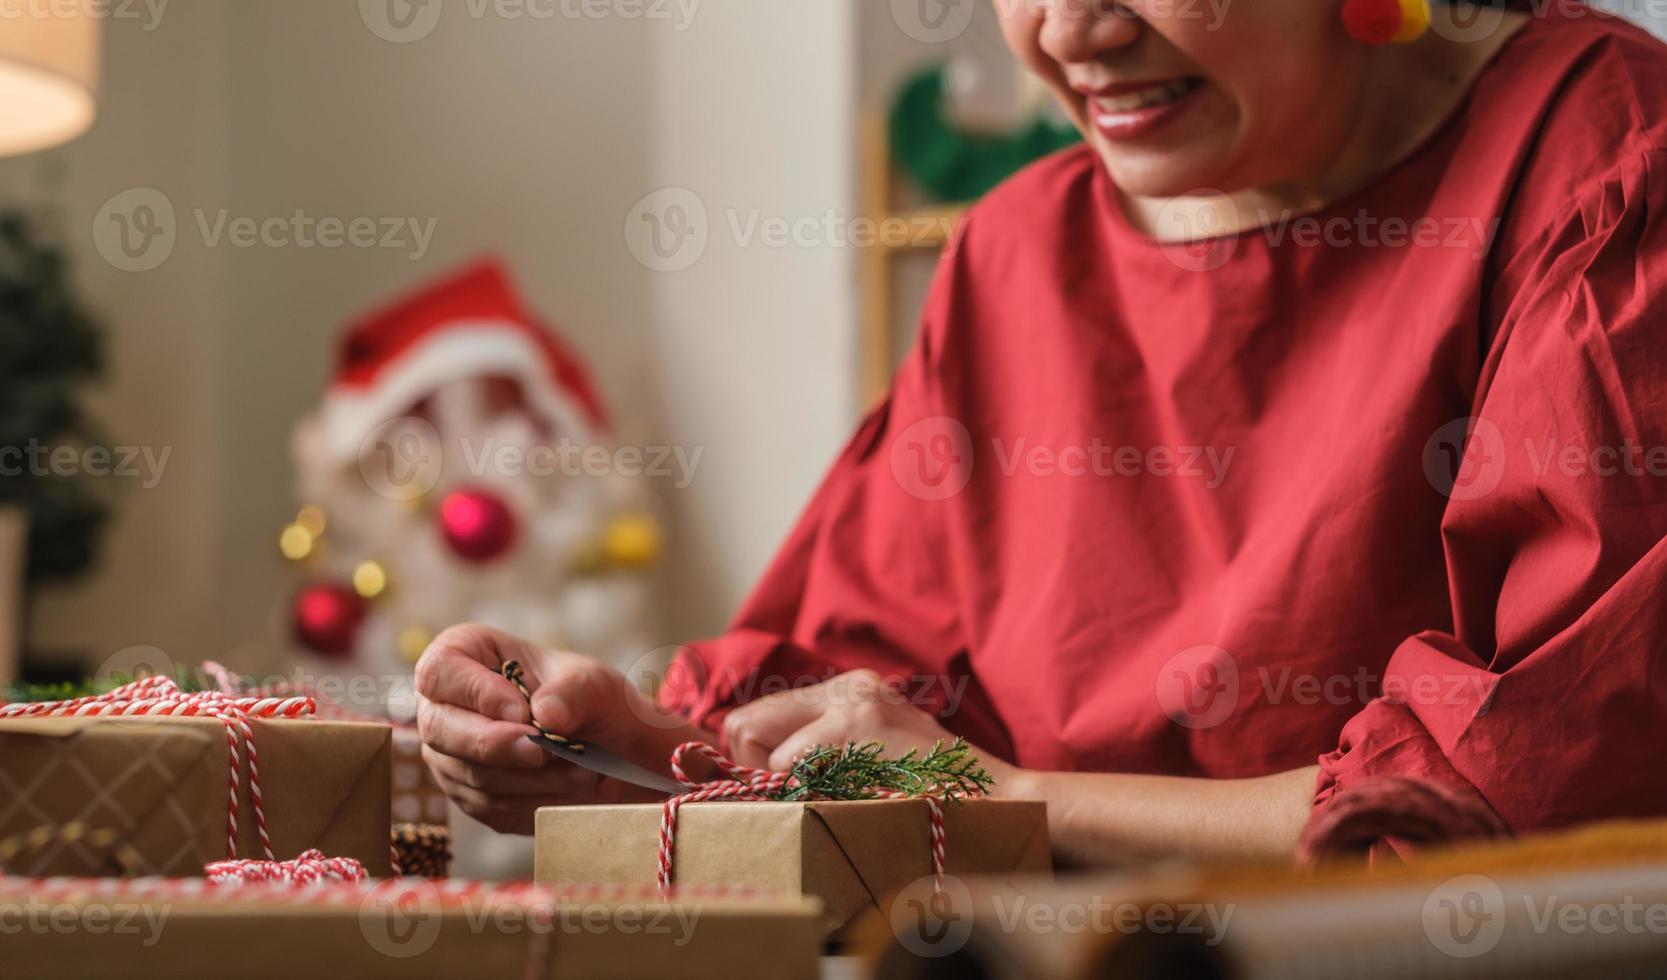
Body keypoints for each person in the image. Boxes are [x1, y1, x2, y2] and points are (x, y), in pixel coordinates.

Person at [415, 0, 1667, 866]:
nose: (1070, 31)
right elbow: (860, 709)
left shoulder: (1603, 167)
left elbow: (1529, 805)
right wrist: (622, 749)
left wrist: (996, 798)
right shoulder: (1014, 251)